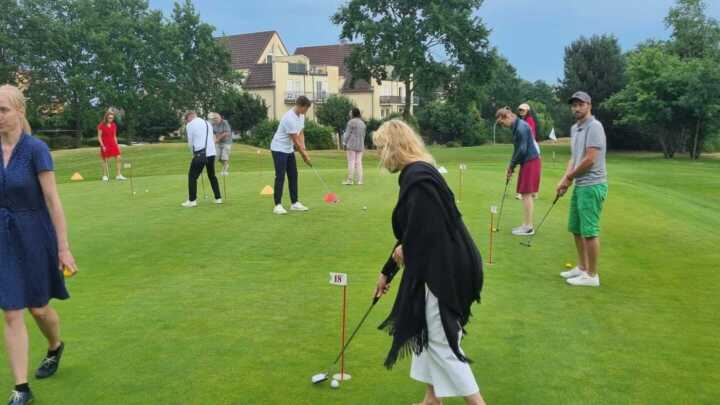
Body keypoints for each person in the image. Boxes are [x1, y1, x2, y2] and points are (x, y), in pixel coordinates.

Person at [372, 119, 486, 405]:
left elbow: (427, 231)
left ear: (392, 148)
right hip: (448, 262)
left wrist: (406, 248)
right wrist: (388, 271)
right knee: (426, 329)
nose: (377, 155)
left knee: (442, 341)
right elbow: (416, 230)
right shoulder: (418, 173)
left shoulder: (418, 177)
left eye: (379, 148)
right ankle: (431, 401)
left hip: (445, 270)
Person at [0, 84, 78, 405]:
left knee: (39, 308)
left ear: (20, 111)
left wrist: (63, 247)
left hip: (34, 234)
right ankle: (21, 388)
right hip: (2, 238)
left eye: (3, 110)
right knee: (12, 312)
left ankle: (55, 346)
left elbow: (53, 202)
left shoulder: (36, 149)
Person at [557, 91, 608, 287]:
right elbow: (574, 157)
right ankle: (582, 267)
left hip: (593, 185)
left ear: (589, 105)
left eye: (580, 104)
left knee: (589, 231)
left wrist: (570, 177)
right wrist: (565, 179)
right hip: (580, 185)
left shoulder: (594, 127)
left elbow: (589, 159)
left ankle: (592, 276)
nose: (576, 108)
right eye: (574, 105)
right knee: (576, 228)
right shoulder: (575, 128)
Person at [496, 107, 541, 236]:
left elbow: (521, 150)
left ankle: (528, 227)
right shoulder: (516, 126)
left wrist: (512, 166)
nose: (503, 126)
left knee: (526, 194)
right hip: (527, 161)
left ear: (508, 116)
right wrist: (511, 166)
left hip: (531, 161)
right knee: (524, 193)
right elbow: (517, 150)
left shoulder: (521, 128)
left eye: (503, 123)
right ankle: (526, 224)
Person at [270, 96, 312, 215]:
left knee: (293, 175)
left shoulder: (301, 116)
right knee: (280, 176)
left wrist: (304, 149)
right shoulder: (289, 118)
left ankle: (294, 203)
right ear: (300, 106)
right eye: (306, 108)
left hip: (288, 150)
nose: (306, 111)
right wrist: (305, 156)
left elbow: (301, 133)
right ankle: (277, 205)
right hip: (278, 148)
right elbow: (295, 140)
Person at [181, 111, 222, 207]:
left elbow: (190, 143)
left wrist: (192, 154)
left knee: (192, 176)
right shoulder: (207, 123)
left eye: (186, 120)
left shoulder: (190, 125)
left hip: (200, 153)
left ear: (189, 117)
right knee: (212, 175)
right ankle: (218, 198)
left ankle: (192, 201)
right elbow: (212, 138)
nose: (186, 122)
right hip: (211, 153)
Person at [516, 103, 541, 200]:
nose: (521, 112)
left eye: (523, 110)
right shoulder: (521, 120)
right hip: (526, 146)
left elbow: (529, 134)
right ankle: (531, 192)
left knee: (529, 170)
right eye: (520, 110)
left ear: (527, 111)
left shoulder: (529, 120)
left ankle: (526, 192)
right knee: (529, 170)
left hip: (530, 146)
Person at [97, 111, 127, 182]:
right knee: (105, 160)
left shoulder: (114, 125)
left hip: (113, 144)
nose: (111, 119)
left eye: (112, 118)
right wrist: (102, 146)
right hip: (105, 144)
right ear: (106, 117)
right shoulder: (101, 125)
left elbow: (114, 136)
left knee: (119, 158)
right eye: (110, 117)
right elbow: (99, 137)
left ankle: (118, 175)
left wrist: (117, 145)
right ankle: (104, 176)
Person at [341, 107, 367, 185]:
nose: (349, 113)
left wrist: (344, 143)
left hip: (351, 145)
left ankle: (350, 180)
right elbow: (364, 135)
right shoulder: (362, 123)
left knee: (351, 162)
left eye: (350, 112)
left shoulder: (351, 122)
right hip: (360, 145)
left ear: (353, 113)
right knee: (358, 162)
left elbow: (347, 134)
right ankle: (360, 180)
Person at [208, 112, 232, 176]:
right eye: (214, 118)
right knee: (217, 157)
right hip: (218, 142)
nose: (215, 119)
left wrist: (217, 139)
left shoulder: (225, 122)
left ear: (220, 117)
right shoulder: (213, 124)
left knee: (224, 156)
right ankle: (226, 165)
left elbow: (226, 133)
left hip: (226, 142)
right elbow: (213, 133)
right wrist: (214, 140)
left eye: (216, 118)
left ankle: (225, 171)